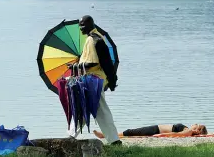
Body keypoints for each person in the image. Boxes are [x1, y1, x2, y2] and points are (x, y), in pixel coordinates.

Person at [67, 15, 122, 145]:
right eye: (80, 25)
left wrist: (75, 66)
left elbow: (92, 63)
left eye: (83, 25)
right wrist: (112, 80)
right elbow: (105, 63)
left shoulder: (93, 40)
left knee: (98, 110)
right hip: (94, 80)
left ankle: (114, 140)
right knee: (85, 108)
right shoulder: (95, 38)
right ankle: (71, 135)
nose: (81, 28)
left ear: (91, 24)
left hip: (93, 81)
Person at [93, 123, 208, 138]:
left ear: (197, 131)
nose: (194, 124)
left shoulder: (187, 132)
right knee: (131, 133)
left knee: (130, 131)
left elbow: (174, 134)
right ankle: (107, 135)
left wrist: (160, 135)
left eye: (196, 126)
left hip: (155, 129)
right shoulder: (188, 131)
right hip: (155, 129)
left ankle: (105, 135)